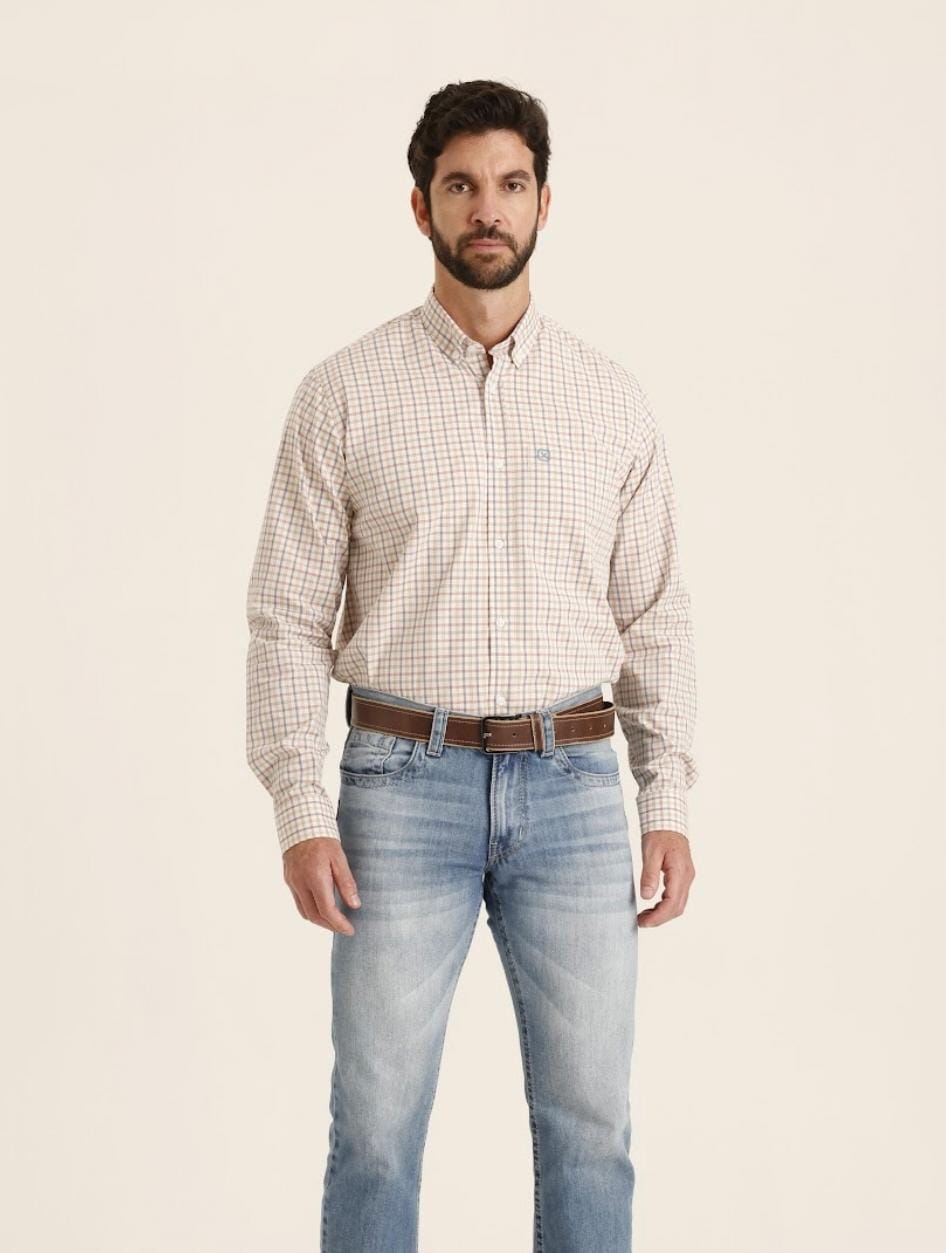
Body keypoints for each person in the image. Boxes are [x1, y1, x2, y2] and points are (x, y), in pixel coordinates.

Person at [245, 78, 698, 1253]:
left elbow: (654, 613)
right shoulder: (343, 393)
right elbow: (286, 614)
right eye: (460, 186)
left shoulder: (609, 400)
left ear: (544, 201)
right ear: (421, 206)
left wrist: (666, 796)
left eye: (508, 184)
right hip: (400, 786)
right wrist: (299, 804)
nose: (485, 209)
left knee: (592, 1127)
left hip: (573, 788)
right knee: (375, 1128)